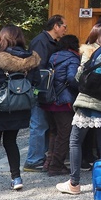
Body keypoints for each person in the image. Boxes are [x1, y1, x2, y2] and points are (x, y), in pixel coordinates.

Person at [0, 25, 41, 193]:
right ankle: (16, 178)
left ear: (2, 38)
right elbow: (37, 81)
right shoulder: (30, 60)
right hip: (19, 108)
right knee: (11, 142)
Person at [56, 24, 101, 195]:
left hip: (86, 102)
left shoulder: (88, 52)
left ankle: (74, 183)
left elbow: (79, 78)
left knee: (75, 141)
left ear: (93, 36)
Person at [24, 14, 66, 171]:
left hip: (45, 90)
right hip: (40, 89)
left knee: (44, 125)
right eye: (64, 27)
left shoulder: (49, 41)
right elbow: (39, 69)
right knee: (39, 124)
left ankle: (41, 158)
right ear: (56, 26)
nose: (65, 30)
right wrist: (41, 91)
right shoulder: (41, 41)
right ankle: (33, 160)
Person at [43, 34, 81, 177]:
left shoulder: (53, 57)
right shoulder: (72, 58)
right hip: (63, 102)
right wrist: (81, 87)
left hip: (49, 100)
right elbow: (72, 78)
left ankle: (49, 162)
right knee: (65, 134)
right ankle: (56, 166)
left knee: (54, 132)